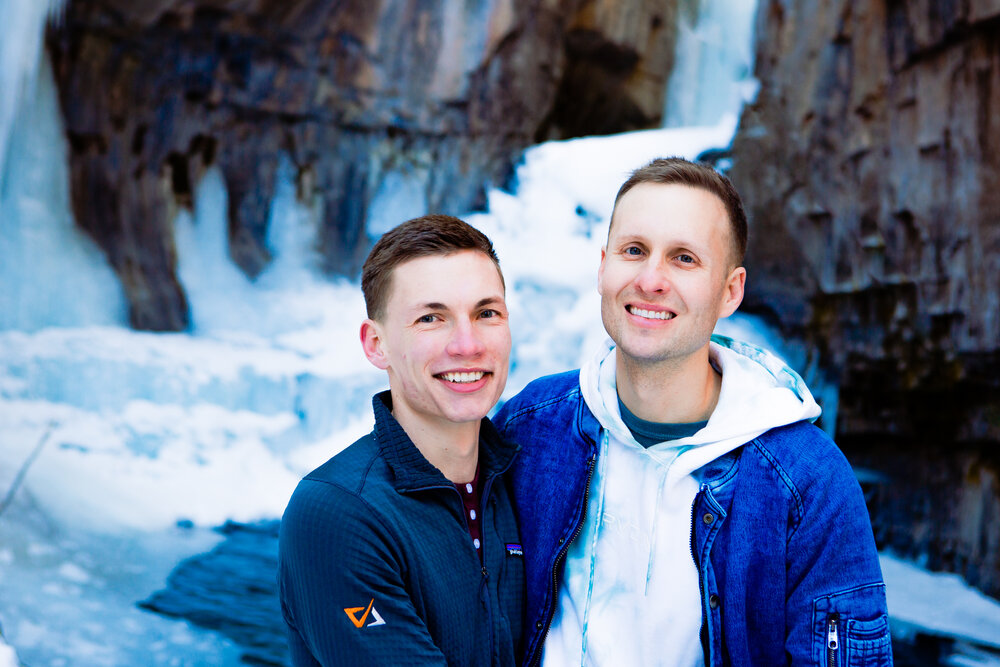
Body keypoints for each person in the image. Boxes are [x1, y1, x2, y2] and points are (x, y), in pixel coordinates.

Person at [495, 158, 891, 666]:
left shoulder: (807, 481)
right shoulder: (532, 426)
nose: (651, 279)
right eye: (634, 250)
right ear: (602, 267)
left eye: (684, 258)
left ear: (731, 291)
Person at [278, 214, 524, 666]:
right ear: (376, 344)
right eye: (431, 318)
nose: (467, 345)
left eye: (486, 313)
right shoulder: (337, 511)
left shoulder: (524, 474)